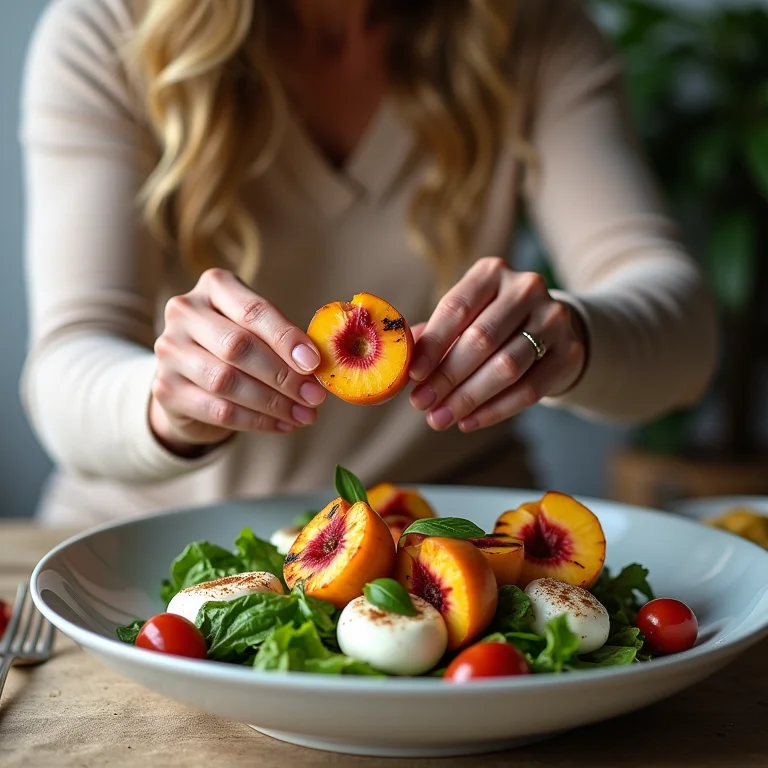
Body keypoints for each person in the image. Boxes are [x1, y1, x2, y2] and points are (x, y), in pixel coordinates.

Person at [19, 0, 718, 528]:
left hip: (448, 545)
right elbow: (65, 360)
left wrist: (573, 337)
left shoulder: (532, 28)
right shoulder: (111, 26)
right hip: (149, 548)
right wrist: (164, 404)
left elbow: (686, 333)